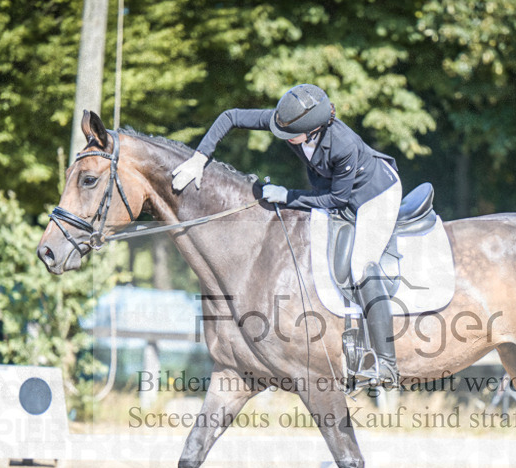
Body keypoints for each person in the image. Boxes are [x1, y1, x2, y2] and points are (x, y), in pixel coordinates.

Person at [171, 84, 403, 386]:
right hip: (334, 191)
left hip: (375, 196)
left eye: (290, 135)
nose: (283, 138)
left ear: (314, 130)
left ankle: (387, 363)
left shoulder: (343, 145)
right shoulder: (290, 122)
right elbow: (230, 117)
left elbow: (337, 201)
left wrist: (287, 195)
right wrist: (199, 158)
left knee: (361, 265)